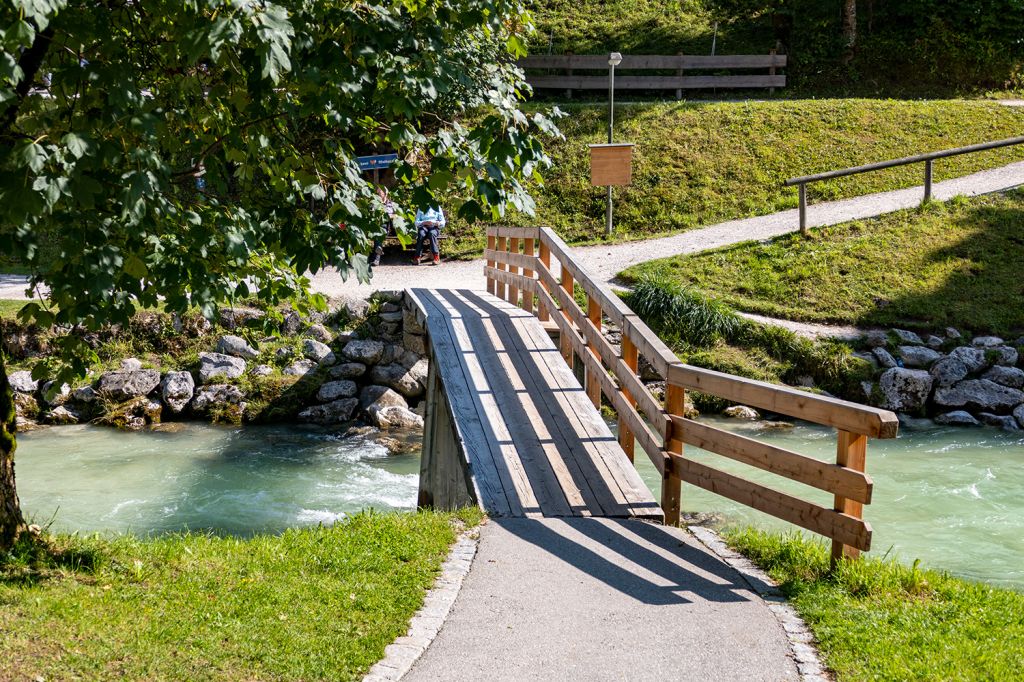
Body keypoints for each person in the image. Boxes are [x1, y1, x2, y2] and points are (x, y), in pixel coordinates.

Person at [370, 186, 396, 267]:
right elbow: (371, 214)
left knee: (379, 235)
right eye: (377, 193)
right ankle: (377, 255)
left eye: (380, 193)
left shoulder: (391, 203)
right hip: (375, 225)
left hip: (385, 226)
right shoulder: (374, 203)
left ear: (385, 194)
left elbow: (394, 215)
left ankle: (376, 258)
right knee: (377, 234)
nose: (378, 195)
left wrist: (387, 215)